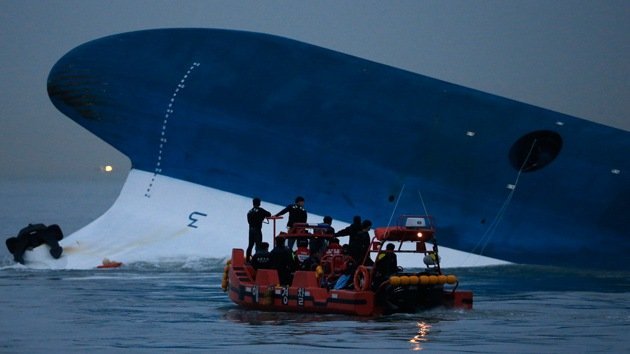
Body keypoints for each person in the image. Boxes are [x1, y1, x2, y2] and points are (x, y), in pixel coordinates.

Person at [246, 197, 271, 262]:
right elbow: (269, 214)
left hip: (251, 230)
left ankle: (247, 260)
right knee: (258, 246)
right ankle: (257, 260)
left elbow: (249, 221)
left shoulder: (249, 211)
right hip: (257, 230)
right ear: (259, 203)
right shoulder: (260, 210)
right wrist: (262, 217)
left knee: (250, 245)